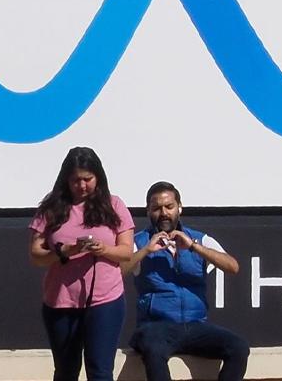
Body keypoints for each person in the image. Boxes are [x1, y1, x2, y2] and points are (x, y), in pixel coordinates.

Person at [123, 181, 250, 381]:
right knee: (153, 348)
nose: (164, 213)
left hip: (195, 325)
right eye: (156, 208)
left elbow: (232, 266)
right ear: (148, 211)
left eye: (169, 207)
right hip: (156, 326)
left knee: (239, 347)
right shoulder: (139, 241)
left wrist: (193, 247)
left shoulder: (198, 238)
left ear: (179, 208)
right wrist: (147, 250)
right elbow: (118, 271)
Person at [28, 147, 136, 381]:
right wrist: (63, 251)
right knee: (66, 371)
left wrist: (103, 249)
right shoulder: (51, 207)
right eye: (76, 180)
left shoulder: (114, 205)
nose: (82, 185)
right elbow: (36, 254)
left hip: (105, 300)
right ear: (66, 180)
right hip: (61, 301)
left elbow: (127, 252)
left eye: (88, 179)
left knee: (100, 371)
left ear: (98, 177)